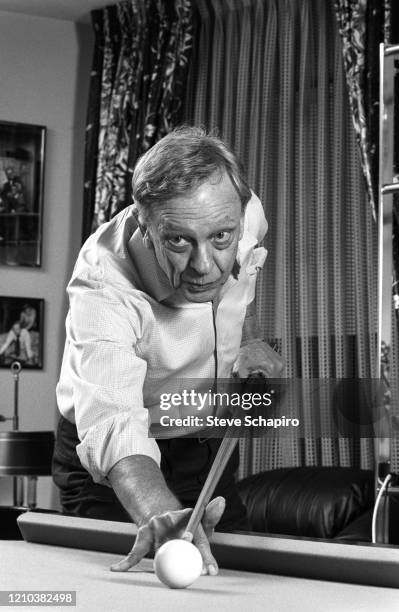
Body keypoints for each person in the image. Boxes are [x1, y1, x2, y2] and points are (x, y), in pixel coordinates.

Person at [53, 127, 283, 575]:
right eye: (178, 240)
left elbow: (238, 279)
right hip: (117, 464)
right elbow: (115, 419)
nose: (203, 265)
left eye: (221, 237)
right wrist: (159, 510)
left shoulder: (243, 212)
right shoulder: (103, 282)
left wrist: (250, 340)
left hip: (205, 445)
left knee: (234, 585)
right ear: (145, 226)